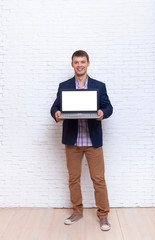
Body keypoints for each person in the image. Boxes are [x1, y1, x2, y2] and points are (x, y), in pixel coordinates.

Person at [50, 50, 113, 231]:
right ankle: (77, 211)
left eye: (82, 62)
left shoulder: (99, 86)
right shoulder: (64, 85)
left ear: (88, 63)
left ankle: (103, 215)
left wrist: (103, 112)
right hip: (73, 141)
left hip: (93, 142)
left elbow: (108, 106)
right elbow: (55, 106)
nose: (80, 65)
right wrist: (56, 113)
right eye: (76, 62)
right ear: (72, 64)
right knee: (73, 179)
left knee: (98, 179)